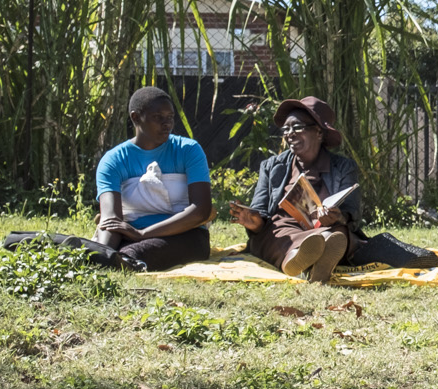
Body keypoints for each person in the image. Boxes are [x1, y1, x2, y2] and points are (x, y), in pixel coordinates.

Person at [231, 97, 362, 284]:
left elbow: (352, 212)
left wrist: (338, 217)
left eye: (297, 127)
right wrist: (254, 221)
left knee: (338, 233)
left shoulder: (343, 167)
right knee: (276, 229)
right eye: (286, 129)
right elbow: (259, 211)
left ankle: (308, 260)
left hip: (325, 227)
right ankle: (297, 259)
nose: (289, 134)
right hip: (283, 230)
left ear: (319, 133)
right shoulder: (272, 166)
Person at [94, 86, 214, 271]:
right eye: (158, 117)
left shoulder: (188, 150)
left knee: (132, 255)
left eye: (170, 117)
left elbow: (201, 211)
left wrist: (142, 233)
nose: (167, 124)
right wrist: (104, 252)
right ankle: (108, 259)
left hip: (185, 235)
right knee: (110, 254)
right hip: (130, 235)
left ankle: (122, 260)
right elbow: (111, 220)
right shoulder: (114, 160)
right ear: (136, 118)